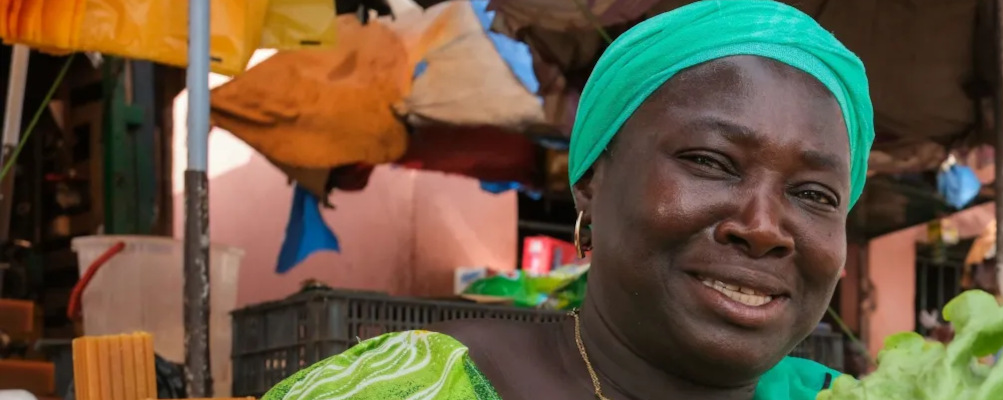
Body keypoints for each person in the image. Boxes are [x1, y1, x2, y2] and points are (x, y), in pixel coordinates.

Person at [260, 1, 874, 399]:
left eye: (815, 193)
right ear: (591, 181)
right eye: (710, 162)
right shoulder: (422, 388)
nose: (763, 227)